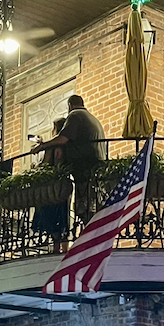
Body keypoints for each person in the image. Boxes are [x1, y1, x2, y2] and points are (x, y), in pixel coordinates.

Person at [36, 93, 107, 223]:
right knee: (91, 202)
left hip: (84, 166)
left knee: (84, 205)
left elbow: (63, 139)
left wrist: (43, 146)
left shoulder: (75, 115)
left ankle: (87, 229)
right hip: (97, 166)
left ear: (70, 105)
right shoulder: (93, 119)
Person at [32, 117, 71, 250]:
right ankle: (65, 248)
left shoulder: (52, 146)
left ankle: (55, 248)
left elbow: (46, 164)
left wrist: (36, 166)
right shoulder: (68, 146)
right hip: (64, 186)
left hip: (52, 185)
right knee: (63, 217)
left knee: (52, 216)